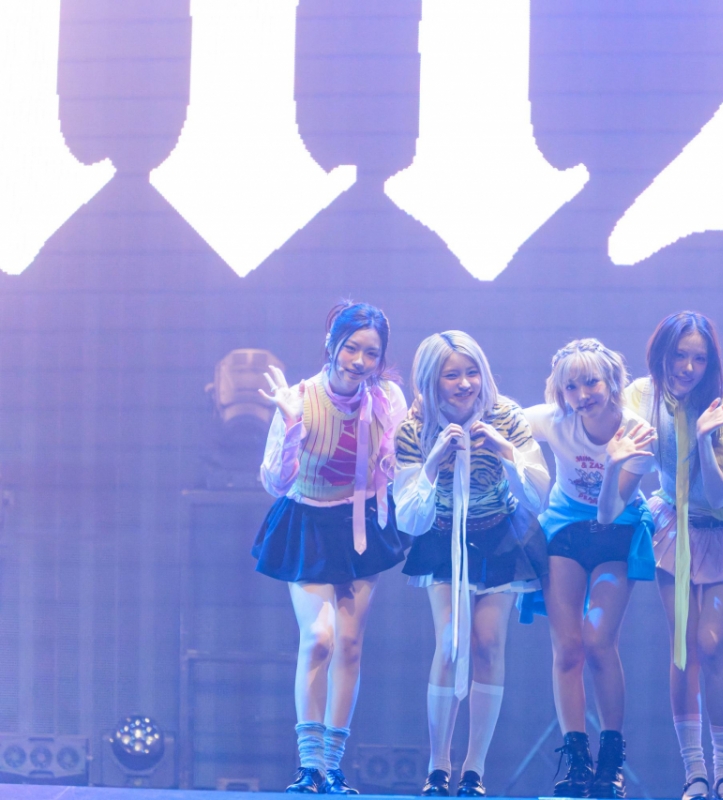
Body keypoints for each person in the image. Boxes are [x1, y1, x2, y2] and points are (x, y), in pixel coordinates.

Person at [254, 302, 408, 794]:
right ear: (331, 344)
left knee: (350, 643)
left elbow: (397, 466)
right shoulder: (301, 397)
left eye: (371, 353)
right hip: (308, 522)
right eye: (351, 348)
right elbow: (275, 482)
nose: (359, 361)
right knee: (319, 637)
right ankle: (309, 765)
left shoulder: (386, 398)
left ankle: (332, 767)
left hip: (357, 524)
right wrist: (291, 423)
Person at [393, 331, 551, 798]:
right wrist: (432, 460)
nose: (465, 384)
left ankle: (474, 770)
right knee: (450, 643)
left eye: (471, 372)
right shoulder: (413, 429)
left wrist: (504, 449)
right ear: (431, 381)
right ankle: (438, 766)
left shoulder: (506, 416)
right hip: (443, 538)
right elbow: (409, 516)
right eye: (452, 375)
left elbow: (539, 492)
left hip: (497, 536)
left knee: (488, 644)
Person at [625, 311, 723, 800]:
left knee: (711, 643)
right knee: (682, 645)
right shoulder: (643, 395)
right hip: (675, 526)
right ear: (661, 354)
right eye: (679, 355)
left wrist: (703, 435)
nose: (687, 367)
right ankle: (695, 775)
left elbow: (720, 494)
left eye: (698, 359)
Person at [524, 339, 658, 798]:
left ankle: (611, 760)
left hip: (615, 530)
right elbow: (501, 415)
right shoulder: (556, 421)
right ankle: (577, 760)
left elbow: (607, 512)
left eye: (591, 382)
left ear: (612, 381)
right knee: (568, 647)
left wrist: (615, 462)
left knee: (599, 641)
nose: (583, 395)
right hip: (564, 530)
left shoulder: (638, 433)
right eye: (572, 387)